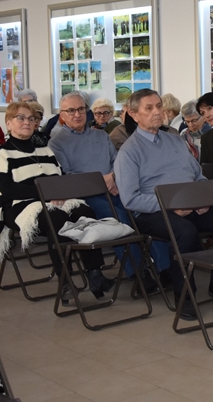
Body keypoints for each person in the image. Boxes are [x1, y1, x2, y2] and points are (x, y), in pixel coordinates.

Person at [114, 89, 213, 320]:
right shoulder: (129, 151)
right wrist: (169, 205)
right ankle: (185, 294)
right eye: (149, 108)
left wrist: (203, 198)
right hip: (153, 211)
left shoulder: (175, 140)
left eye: (158, 106)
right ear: (134, 115)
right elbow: (131, 199)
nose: (157, 112)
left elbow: (199, 177)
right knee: (185, 231)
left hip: (190, 203)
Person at [0, 102, 115, 303]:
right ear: (8, 123)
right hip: (17, 207)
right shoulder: (1, 153)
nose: (27, 122)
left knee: (85, 212)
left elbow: (59, 178)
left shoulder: (45, 150)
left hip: (51, 200)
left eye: (31, 119)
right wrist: (47, 194)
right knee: (57, 218)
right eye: (20, 118)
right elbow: (9, 190)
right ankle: (65, 280)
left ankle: (94, 273)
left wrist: (59, 193)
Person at [49, 92, 166, 291]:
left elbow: (117, 161)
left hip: (115, 187)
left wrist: (113, 178)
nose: (77, 114)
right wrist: (103, 182)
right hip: (86, 195)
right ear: (62, 115)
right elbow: (68, 175)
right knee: (118, 219)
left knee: (146, 211)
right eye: (71, 110)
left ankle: (165, 268)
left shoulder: (101, 135)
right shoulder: (56, 142)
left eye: (81, 109)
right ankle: (139, 274)